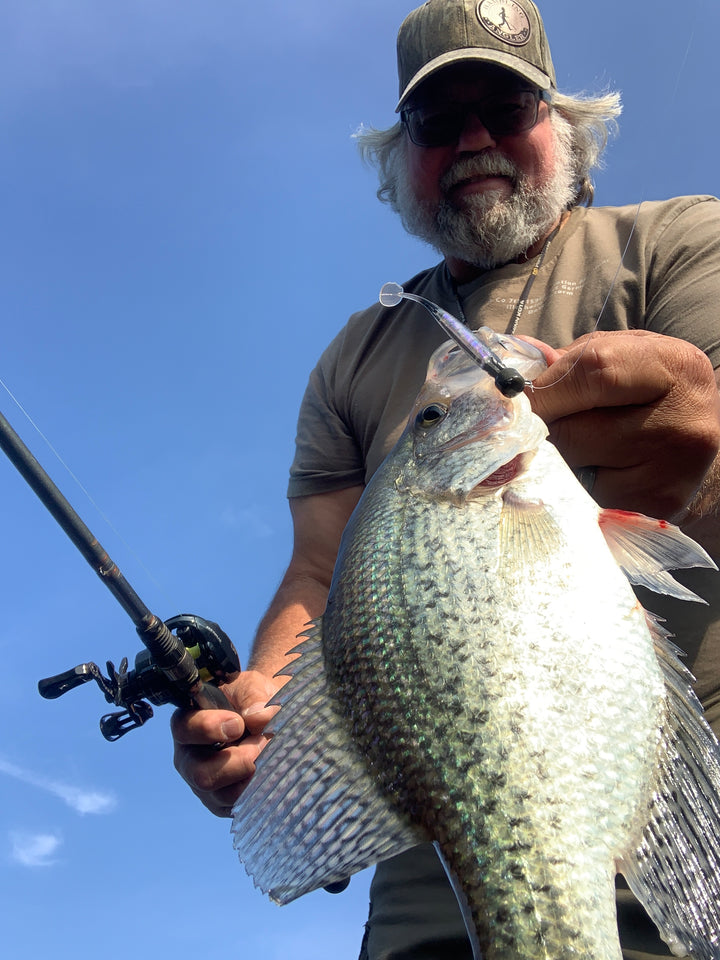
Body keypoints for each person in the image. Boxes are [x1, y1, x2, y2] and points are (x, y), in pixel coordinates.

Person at [171, 1, 720, 957]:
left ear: (567, 127)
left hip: (689, 766)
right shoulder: (355, 354)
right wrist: (275, 716)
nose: (473, 138)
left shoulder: (681, 243)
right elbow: (317, 571)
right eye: (437, 119)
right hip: (441, 840)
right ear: (401, 155)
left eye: (506, 105)